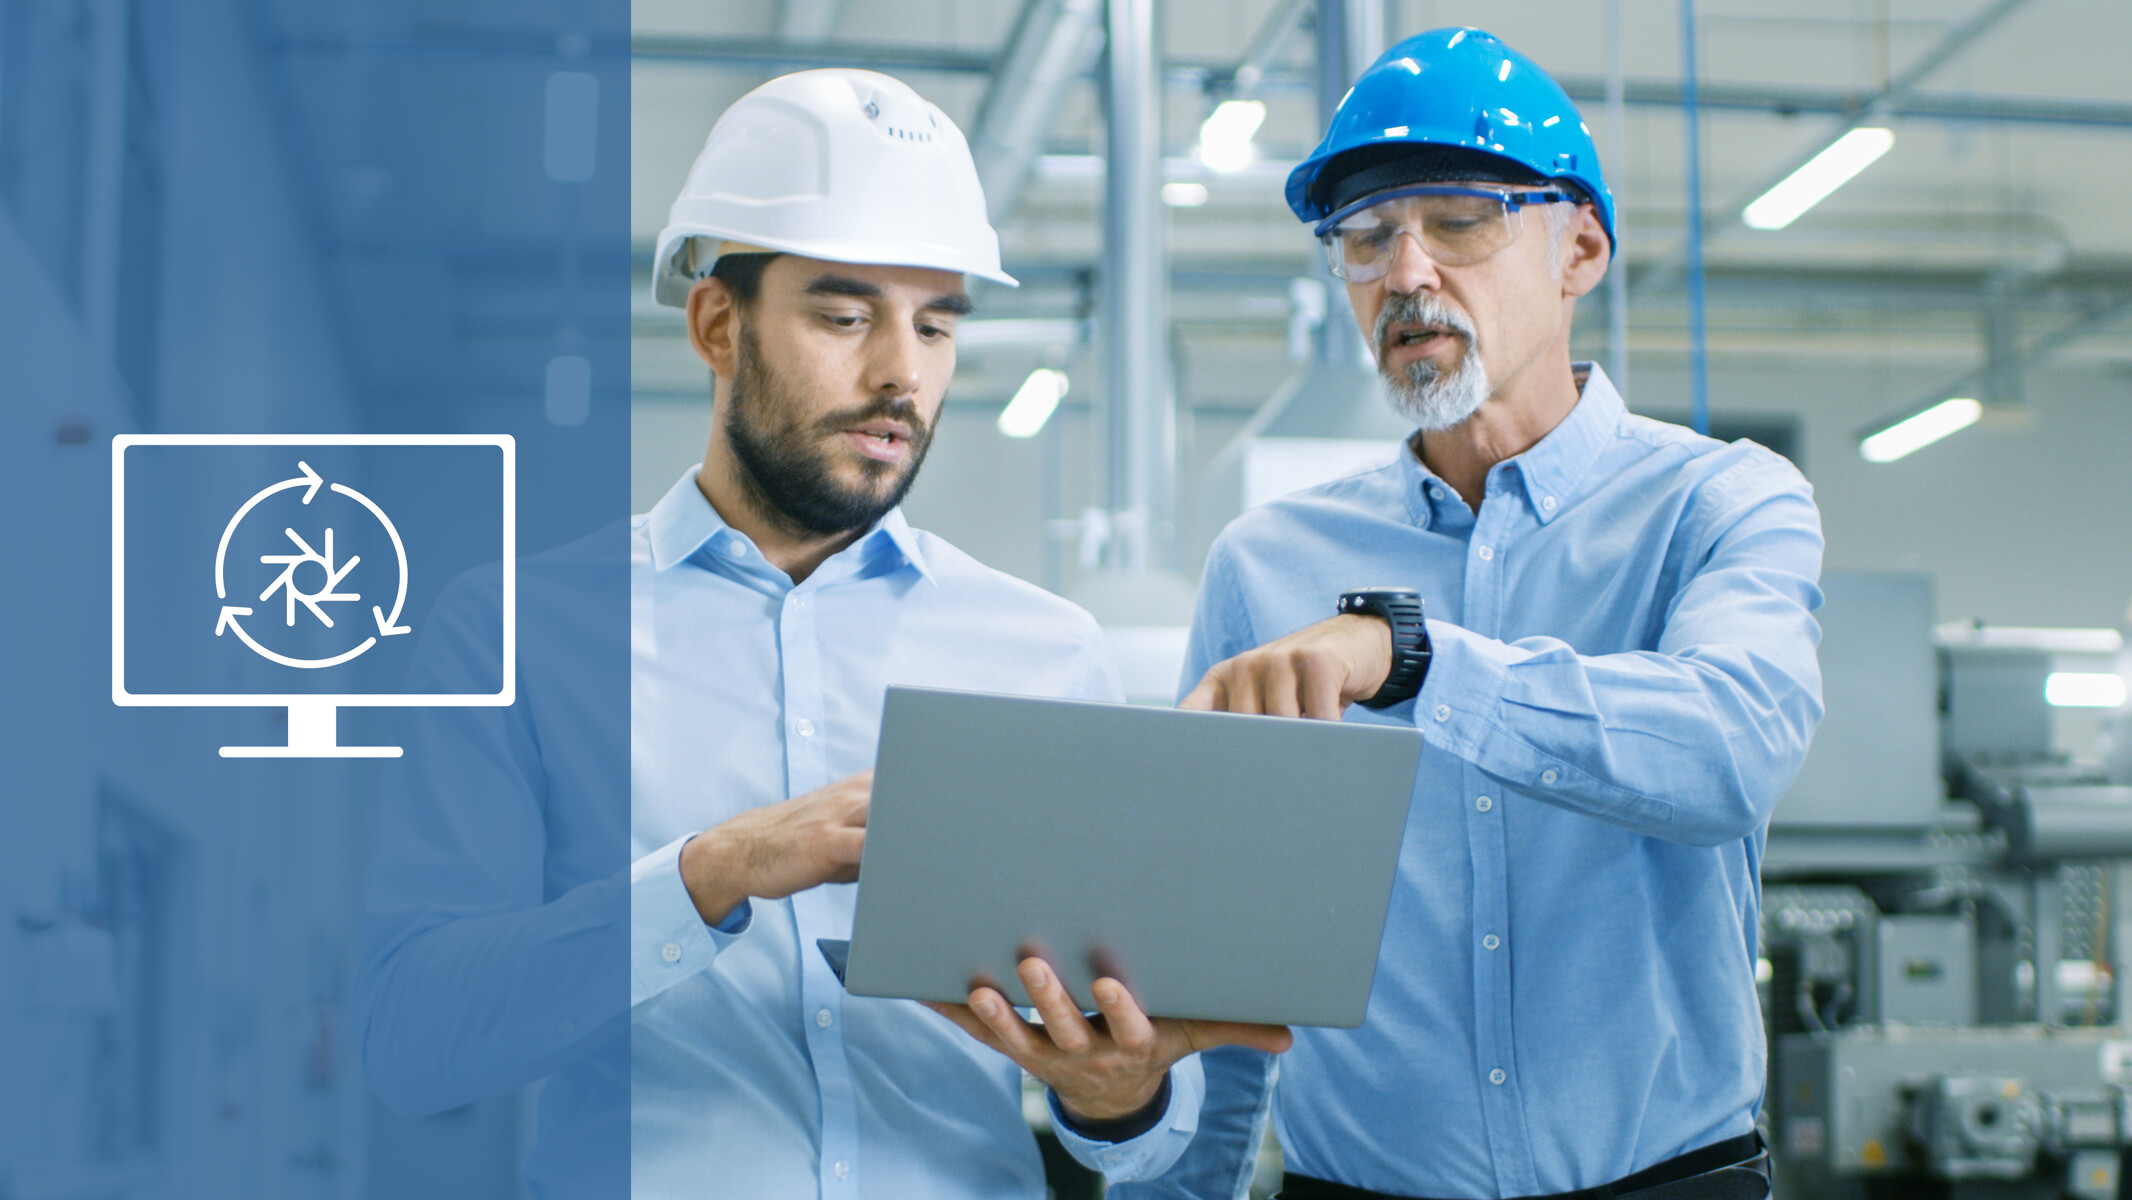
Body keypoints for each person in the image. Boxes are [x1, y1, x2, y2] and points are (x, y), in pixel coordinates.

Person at [1056, 28, 1823, 1200]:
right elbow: (1219, 976)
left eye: (1459, 220)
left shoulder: (1717, 502)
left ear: (1578, 248)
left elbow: (1727, 749)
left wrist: (1409, 658)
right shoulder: (1266, 568)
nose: (1405, 272)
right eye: (1364, 238)